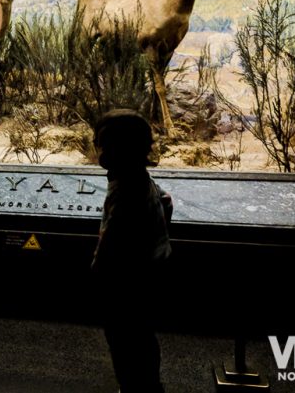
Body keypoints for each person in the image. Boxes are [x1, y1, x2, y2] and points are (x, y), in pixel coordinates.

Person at [90, 109, 173, 393]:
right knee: (144, 340)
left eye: (102, 143)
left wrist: (96, 277)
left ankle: (134, 388)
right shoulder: (141, 179)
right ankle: (148, 385)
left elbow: (110, 244)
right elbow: (166, 200)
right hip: (150, 277)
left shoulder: (124, 192)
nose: (98, 149)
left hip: (126, 286)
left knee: (125, 344)